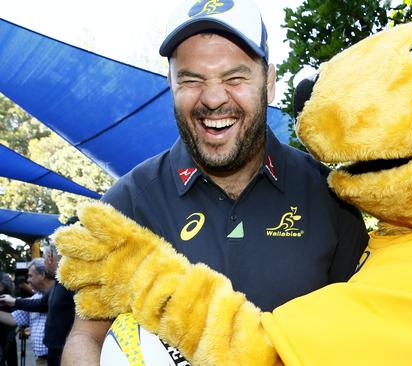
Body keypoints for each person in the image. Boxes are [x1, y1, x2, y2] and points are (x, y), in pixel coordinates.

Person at [60, 0, 369, 365]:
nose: (213, 98)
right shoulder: (129, 202)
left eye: (234, 78)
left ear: (268, 83)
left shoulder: (329, 195)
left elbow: (363, 330)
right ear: (170, 85)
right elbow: (87, 336)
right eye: (191, 80)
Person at [0, 245, 75, 366]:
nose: (27, 280)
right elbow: (39, 304)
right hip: (51, 357)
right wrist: (15, 301)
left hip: (64, 357)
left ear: (50, 258)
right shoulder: (57, 284)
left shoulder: (70, 283)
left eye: (30, 276)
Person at [0, 258, 52, 365]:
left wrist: (15, 301)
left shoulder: (59, 294)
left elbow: (43, 304)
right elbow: (13, 319)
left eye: (30, 276)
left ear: (42, 275)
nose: (27, 280)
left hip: (58, 359)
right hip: (42, 360)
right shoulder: (35, 298)